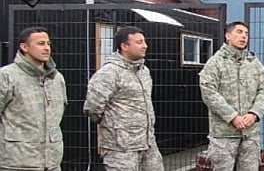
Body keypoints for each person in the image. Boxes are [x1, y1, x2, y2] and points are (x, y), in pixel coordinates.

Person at [83, 26, 164, 170]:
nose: (145, 46)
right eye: (139, 42)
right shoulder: (109, 73)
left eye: (144, 41)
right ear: (124, 46)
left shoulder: (143, 71)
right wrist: (117, 127)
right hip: (121, 149)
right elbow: (93, 108)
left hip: (148, 143)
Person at [199, 21, 264, 171]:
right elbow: (208, 92)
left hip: (250, 134)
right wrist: (232, 116)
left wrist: (254, 113)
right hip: (224, 135)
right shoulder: (216, 63)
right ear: (228, 36)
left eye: (246, 33)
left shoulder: (254, 63)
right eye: (239, 32)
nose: (243, 36)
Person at [0, 27, 66, 171]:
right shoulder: (7, 76)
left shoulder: (56, 79)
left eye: (48, 43)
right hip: (16, 163)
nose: (47, 48)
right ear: (24, 47)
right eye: (41, 43)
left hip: (52, 163)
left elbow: (58, 116)